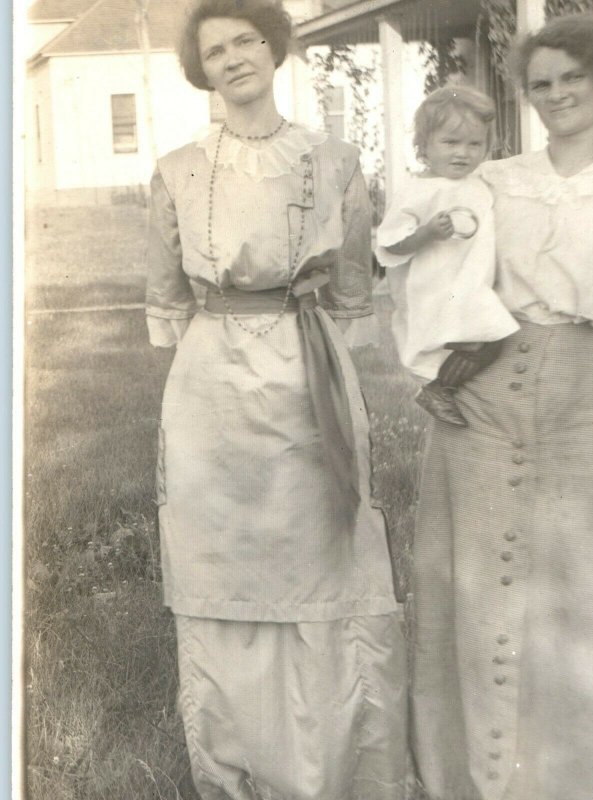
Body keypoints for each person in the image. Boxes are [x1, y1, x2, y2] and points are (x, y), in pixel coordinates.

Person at [411, 12, 593, 800]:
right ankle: (471, 782)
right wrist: (433, 362)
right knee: (473, 594)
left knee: (591, 606)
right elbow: (427, 257)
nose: (558, 94)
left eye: (574, 77)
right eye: (542, 84)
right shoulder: (497, 179)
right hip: (482, 404)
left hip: (592, 406)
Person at [145, 2, 406, 798]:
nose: (232, 59)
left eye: (246, 41)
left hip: (307, 378)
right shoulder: (178, 170)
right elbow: (166, 299)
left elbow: (355, 291)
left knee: (323, 558)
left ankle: (335, 770)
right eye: (214, 51)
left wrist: (313, 357)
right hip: (210, 392)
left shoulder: (335, 161)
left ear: (275, 46)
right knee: (224, 563)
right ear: (200, 69)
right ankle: (240, 769)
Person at [375, 86, 519, 426]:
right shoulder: (417, 191)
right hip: (438, 285)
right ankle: (440, 388)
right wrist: (426, 233)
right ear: (423, 147)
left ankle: (441, 385)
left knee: (490, 339)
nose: (463, 153)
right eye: (450, 143)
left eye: (475, 144)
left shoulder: (478, 185)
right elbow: (390, 244)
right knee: (488, 338)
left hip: (471, 283)